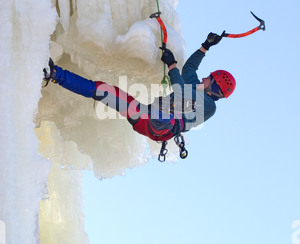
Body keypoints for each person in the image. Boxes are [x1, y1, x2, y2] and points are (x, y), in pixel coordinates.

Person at [43, 31, 236, 159]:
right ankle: (54, 74)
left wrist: (171, 65)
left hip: (162, 123)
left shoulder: (209, 106)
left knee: (177, 100)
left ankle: (55, 74)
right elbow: (190, 70)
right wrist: (205, 47)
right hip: (148, 117)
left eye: (209, 78)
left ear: (215, 87)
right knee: (105, 91)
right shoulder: (198, 89)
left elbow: (180, 94)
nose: (204, 78)